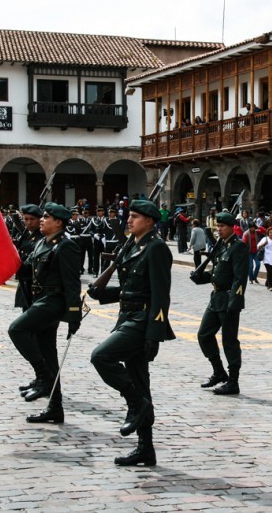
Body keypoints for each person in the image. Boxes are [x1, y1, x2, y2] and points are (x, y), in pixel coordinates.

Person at [88, 200, 175, 466]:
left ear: (149, 221)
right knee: (140, 381)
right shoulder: (133, 245)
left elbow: (160, 295)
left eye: (135, 216)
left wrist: (154, 334)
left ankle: (136, 403)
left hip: (142, 322)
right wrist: (102, 294)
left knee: (101, 356)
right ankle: (145, 448)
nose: (129, 220)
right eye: (129, 215)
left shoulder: (156, 248)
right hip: (127, 317)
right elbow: (130, 289)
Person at [7, 202, 82, 425]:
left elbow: (72, 284)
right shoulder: (42, 242)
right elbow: (26, 270)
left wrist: (74, 315)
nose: (41, 220)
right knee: (49, 355)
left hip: (53, 301)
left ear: (58, 222)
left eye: (46, 217)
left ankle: (43, 376)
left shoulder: (66, 246)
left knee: (17, 329)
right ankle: (55, 408)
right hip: (40, 300)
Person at [190, 212, 249, 395]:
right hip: (216, 298)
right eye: (218, 226)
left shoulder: (238, 247)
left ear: (232, 227)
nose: (219, 230)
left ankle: (233, 381)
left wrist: (235, 301)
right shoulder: (221, 246)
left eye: (222, 226)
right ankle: (219, 371)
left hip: (229, 299)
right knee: (204, 335)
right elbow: (217, 273)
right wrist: (200, 277)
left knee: (229, 341)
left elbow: (240, 277)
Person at [13, 204, 44, 311]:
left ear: (40, 220)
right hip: (25, 281)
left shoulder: (42, 236)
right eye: (26, 219)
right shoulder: (27, 234)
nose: (29, 222)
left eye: (32, 219)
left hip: (35, 283)